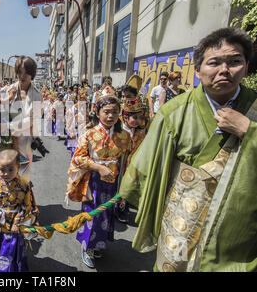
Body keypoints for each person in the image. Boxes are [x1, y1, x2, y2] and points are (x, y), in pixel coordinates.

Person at [119, 27, 257, 272]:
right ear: (197, 70)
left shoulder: (253, 111)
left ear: (247, 66)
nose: (224, 70)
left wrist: (249, 131)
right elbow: (145, 169)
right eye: (214, 62)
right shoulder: (175, 112)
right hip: (181, 226)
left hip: (237, 235)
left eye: (234, 61)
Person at [66, 95, 131, 268]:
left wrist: (124, 184)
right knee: (92, 215)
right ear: (98, 112)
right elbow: (78, 158)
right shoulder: (90, 134)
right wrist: (98, 167)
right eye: (107, 112)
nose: (111, 116)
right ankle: (87, 248)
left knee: (106, 214)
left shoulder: (124, 135)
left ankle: (99, 244)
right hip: (93, 181)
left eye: (115, 112)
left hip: (113, 182)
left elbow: (126, 161)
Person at [0, 149, 39, 272]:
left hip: (16, 222)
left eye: (10, 170)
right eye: (2, 170)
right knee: (2, 245)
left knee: (11, 247)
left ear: (18, 167)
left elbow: (26, 206)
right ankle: (17, 268)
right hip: (1, 221)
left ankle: (4, 271)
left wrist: (17, 223)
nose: (6, 174)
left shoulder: (24, 185)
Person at [1, 56, 43, 184]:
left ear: (32, 74)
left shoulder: (37, 95)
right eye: (19, 72)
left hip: (25, 141)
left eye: (26, 73)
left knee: (23, 175)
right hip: (6, 140)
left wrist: (10, 126)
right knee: (5, 174)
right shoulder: (7, 90)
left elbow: (33, 119)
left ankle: (24, 200)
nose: (22, 76)